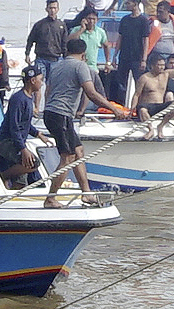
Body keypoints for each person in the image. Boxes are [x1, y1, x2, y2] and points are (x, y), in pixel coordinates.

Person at [43, 37, 133, 207]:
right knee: (67, 157)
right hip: (60, 115)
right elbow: (91, 93)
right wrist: (115, 109)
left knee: (78, 152)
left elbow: (48, 92)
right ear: (83, 54)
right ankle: (50, 198)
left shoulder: (56, 66)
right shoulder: (80, 66)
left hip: (53, 114)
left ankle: (86, 193)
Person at [0, 64, 43, 185]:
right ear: (32, 80)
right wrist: (23, 149)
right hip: (6, 141)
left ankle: (16, 189)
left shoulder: (28, 98)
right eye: (41, 80)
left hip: (17, 142)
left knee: (21, 180)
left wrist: (38, 134)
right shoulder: (19, 99)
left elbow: (24, 123)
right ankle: (1, 177)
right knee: (32, 163)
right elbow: (14, 126)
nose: (42, 83)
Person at [112, 0, 158, 105]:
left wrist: (144, 59)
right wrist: (115, 56)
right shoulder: (124, 20)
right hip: (124, 56)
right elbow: (120, 38)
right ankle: (120, 106)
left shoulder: (143, 20)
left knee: (139, 82)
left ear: (136, 4)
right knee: (121, 83)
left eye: (128, 3)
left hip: (137, 57)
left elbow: (145, 40)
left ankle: (140, 106)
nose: (126, 5)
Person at [26, 0, 70, 91]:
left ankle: (49, 103)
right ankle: (37, 104)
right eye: (50, 8)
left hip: (56, 59)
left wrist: (66, 59)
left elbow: (65, 43)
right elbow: (30, 40)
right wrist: (27, 54)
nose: (52, 10)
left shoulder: (61, 25)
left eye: (54, 8)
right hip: (41, 59)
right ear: (46, 9)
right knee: (38, 83)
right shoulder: (39, 25)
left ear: (58, 9)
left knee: (53, 85)